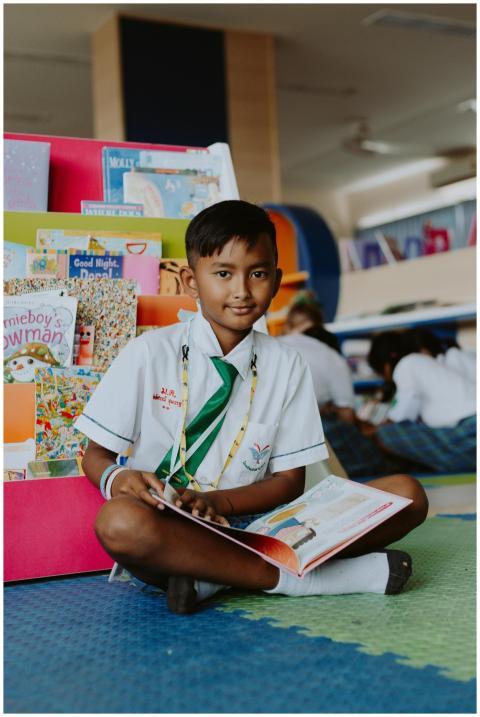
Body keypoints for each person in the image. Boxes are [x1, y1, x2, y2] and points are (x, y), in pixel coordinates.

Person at [76, 200, 428, 615]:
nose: (242, 290)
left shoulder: (286, 363)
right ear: (191, 280)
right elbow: (95, 455)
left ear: (276, 280)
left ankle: (213, 577)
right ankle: (301, 581)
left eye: (257, 273)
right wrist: (118, 478)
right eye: (223, 274)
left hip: (261, 525)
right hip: (172, 527)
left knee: (407, 494)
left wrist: (221, 504)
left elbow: (289, 482)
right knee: (118, 522)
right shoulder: (149, 353)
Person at [367, 330, 476, 473]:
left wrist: (370, 431)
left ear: (387, 365)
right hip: (467, 428)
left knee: (387, 434)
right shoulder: (442, 362)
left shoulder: (406, 364)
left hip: (468, 430)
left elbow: (400, 417)